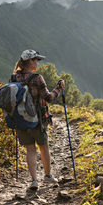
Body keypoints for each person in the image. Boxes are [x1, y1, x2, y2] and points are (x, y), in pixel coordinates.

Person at [11, 49, 65, 190]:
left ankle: (34, 180)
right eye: (36, 60)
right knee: (43, 146)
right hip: (37, 120)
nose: (37, 62)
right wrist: (59, 88)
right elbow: (49, 98)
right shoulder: (37, 78)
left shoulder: (13, 78)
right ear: (29, 61)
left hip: (21, 120)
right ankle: (47, 176)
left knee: (30, 149)